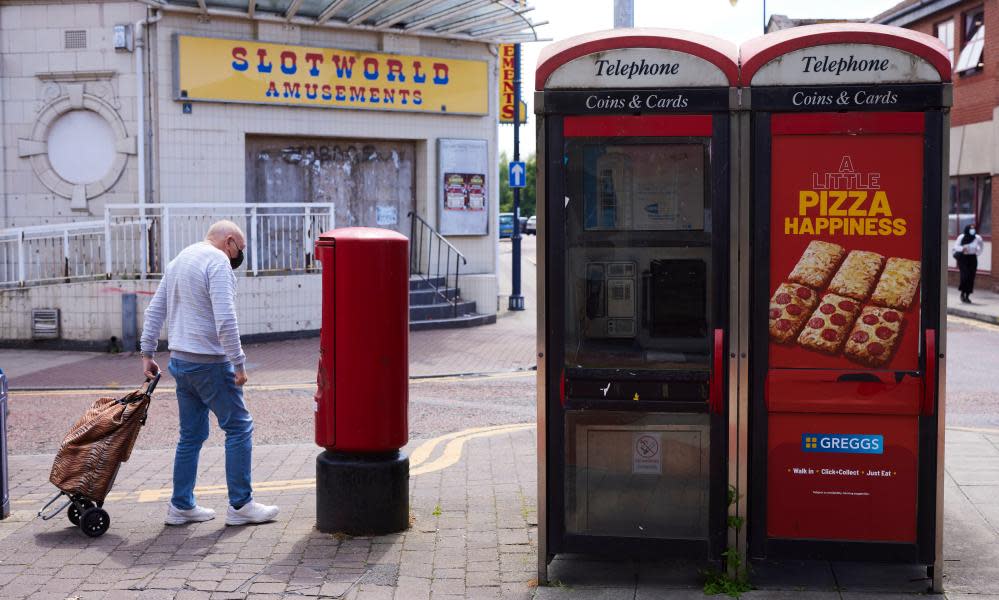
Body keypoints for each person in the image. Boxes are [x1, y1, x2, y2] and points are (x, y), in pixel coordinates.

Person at [140, 220, 279, 526]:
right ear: (229, 242)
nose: (239, 257)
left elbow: (155, 311)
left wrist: (147, 354)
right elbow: (226, 319)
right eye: (240, 250)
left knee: (191, 435)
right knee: (239, 427)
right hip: (210, 363)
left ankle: (181, 506)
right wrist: (238, 364)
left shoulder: (180, 259)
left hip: (181, 363)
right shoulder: (218, 263)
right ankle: (241, 505)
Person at [954, 223, 984, 304]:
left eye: (973, 228)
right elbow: (956, 247)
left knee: (971, 277)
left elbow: (981, 247)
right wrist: (962, 248)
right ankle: (962, 293)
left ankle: (967, 295)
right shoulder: (961, 237)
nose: (972, 230)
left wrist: (977, 252)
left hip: (972, 259)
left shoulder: (977, 238)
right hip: (963, 259)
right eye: (971, 228)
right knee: (965, 276)